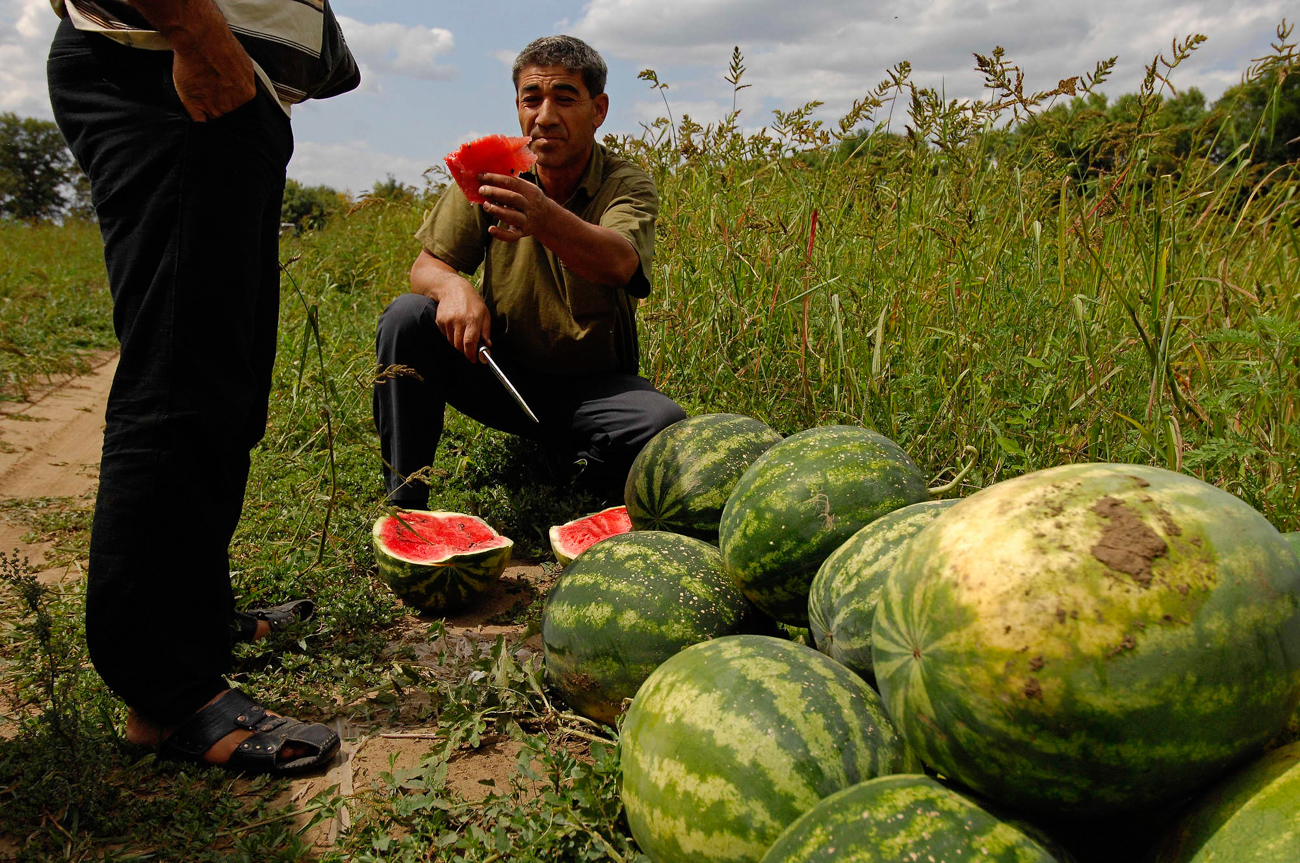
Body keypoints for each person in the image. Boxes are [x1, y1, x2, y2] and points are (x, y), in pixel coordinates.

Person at [46, 0, 355, 773]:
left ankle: (199, 615)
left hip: (216, 75)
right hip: (164, 57)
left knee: (227, 376)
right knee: (182, 371)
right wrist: (195, 31)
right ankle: (167, 688)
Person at [374, 35, 686, 510]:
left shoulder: (626, 182)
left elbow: (620, 261)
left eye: (565, 98)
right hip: (501, 374)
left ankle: (568, 465)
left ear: (598, 109)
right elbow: (426, 267)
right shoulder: (494, 171)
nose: (544, 116)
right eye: (531, 99)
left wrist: (541, 216)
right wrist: (454, 286)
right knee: (407, 318)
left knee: (661, 421)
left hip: (593, 388)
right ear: (517, 106)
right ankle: (404, 503)